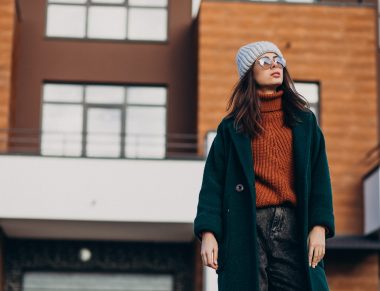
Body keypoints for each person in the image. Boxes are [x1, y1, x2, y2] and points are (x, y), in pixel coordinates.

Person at [193, 41, 335, 291]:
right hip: (245, 224)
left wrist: (319, 227)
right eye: (265, 61)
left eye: (278, 59)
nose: (275, 65)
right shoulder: (231, 127)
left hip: (293, 225)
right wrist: (208, 233)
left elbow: (320, 176)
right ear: (249, 71)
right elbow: (212, 184)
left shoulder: (305, 121)